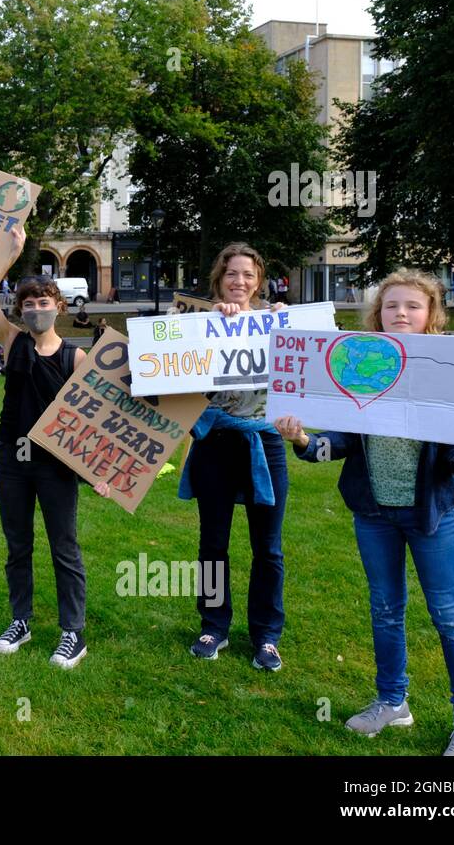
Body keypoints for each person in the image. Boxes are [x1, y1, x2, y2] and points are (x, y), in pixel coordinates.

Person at [273, 269, 454, 756]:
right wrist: (304, 441)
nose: (401, 313)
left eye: (413, 306)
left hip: (431, 518)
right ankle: (393, 702)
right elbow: (341, 442)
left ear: (432, 314)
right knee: (386, 611)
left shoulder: (448, 374)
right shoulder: (364, 365)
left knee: (449, 615)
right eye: (392, 305)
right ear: (378, 314)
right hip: (374, 515)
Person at [0, 229, 109, 670]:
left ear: (59, 306)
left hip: (56, 463)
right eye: (29, 303)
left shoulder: (74, 358)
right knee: (18, 545)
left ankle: (73, 632)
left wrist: (103, 471)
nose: (36, 309)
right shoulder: (11, 341)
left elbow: (100, 418)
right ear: (20, 309)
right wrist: (10, 254)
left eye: (44, 301)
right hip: (11, 457)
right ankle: (21, 620)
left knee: (63, 546)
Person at [178, 242, 290, 671]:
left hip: (266, 444)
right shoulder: (198, 325)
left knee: (269, 548)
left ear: (258, 280)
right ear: (218, 280)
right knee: (213, 543)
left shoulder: (278, 322)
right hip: (215, 443)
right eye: (231, 275)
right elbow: (176, 382)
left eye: (247, 275)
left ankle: (266, 635)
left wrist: (286, 324)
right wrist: (212, 325)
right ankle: (214, 625)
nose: (239, 282)